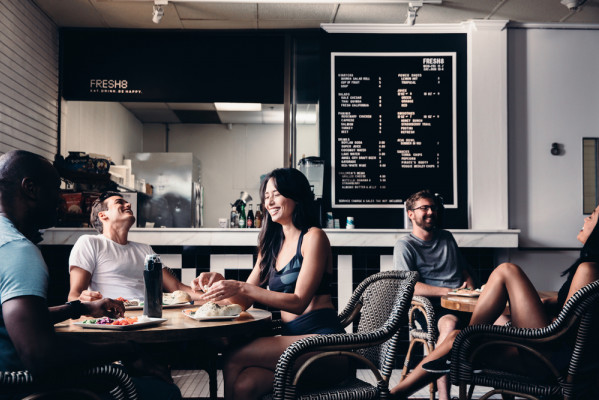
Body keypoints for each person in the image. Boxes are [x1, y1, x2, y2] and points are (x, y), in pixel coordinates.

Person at [0, 150, 181, 399]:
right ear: (31, 189)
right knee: (165, 392)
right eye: (56, 189)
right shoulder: (18, 251)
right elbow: (39, 356)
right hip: (21, 386)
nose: (62, 199)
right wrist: (126, 349)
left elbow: (23, 320)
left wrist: (79, 308)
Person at [390, 205, 599, 399]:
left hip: (551, 360)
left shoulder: (588, 269)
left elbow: (570, 332)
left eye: (592, 216)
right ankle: (395, 393)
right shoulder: (590, 268)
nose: (586, 219)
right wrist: (543, 303)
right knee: (455, 336)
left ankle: (466, 345)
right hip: (550, 354)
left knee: (507, 270)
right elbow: (572, 308)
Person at [191, 168, 344, 400]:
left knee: (233, 356)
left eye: (276, 194)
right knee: (244, 386)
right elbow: (242, 301)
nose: (269, 202)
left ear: (296, 196)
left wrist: (240, 286)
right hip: (292, 344)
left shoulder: (314, 237)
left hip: (325, 346)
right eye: (266, 196)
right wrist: (218, 284)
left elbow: (299, 302)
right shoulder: (272, 244)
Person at [394, 189, 475, 400]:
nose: (431, 212)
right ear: (411, 213)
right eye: (424, 208)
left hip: (463, 302)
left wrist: (471, 290)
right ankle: (444, 397)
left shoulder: (447, 237)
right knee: (450, 325)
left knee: (504, 318)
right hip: (432, 308)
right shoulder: (405, 245)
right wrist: (449, 292)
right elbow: (409, 287)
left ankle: (508, 386)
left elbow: (464, 270)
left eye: (433, 207)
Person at [68, 191, 201, 303]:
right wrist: (85, 299)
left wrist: (211, 297)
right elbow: (74, 296)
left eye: (127, 202)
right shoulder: (90, 243)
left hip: (147, 317)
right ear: (103, 215)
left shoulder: (145, 249)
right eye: (119, 202)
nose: (128, 204)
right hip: (114, 318)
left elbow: (176, 287)